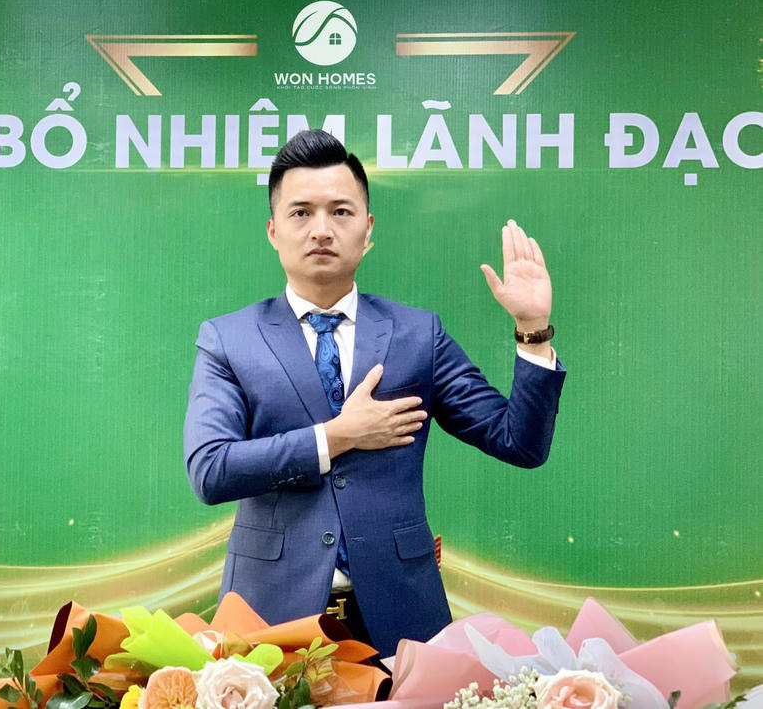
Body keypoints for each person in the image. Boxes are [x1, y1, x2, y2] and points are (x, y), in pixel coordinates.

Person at [183, 129, 565, 657]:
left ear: (368, 229)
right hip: (269, 615)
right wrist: (336, 436)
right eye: (301, 213)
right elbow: (210, 469)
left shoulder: (418, 334)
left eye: (341, 212)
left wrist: (533, 329)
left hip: (401, 612)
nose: (321, 229)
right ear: (273, 230)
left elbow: (519, 442)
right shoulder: (229, 339)